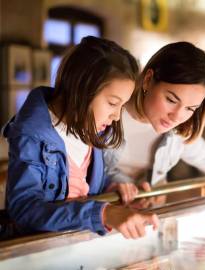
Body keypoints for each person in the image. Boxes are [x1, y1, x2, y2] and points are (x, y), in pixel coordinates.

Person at [2, 36, 159, 239]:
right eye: (112, 103)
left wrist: (114, 187)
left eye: (122, 105)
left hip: (74, 247)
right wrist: (103, 214)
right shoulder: (31, 136)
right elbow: (25, 209)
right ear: (81, 89)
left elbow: (80, 184)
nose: (117, 116)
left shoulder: (92, 129)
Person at [103, 41, 205, 204]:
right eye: (171, 100)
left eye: (190, 108)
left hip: (146, 220)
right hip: (101, 217)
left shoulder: (179, 132)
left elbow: (204, 155)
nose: (177, 116)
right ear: (148, 80)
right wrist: (121, 184)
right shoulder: (107, 115)